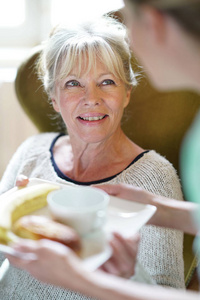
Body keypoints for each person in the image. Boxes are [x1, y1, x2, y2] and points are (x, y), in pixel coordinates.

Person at [0, 15, 185, 299]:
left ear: (126, 93)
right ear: (53, 97)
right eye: (73, 83)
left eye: (107, 82)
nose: (92, 98)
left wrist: (130, 273)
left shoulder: (155, 178)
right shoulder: (32, 150)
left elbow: (166, 292)